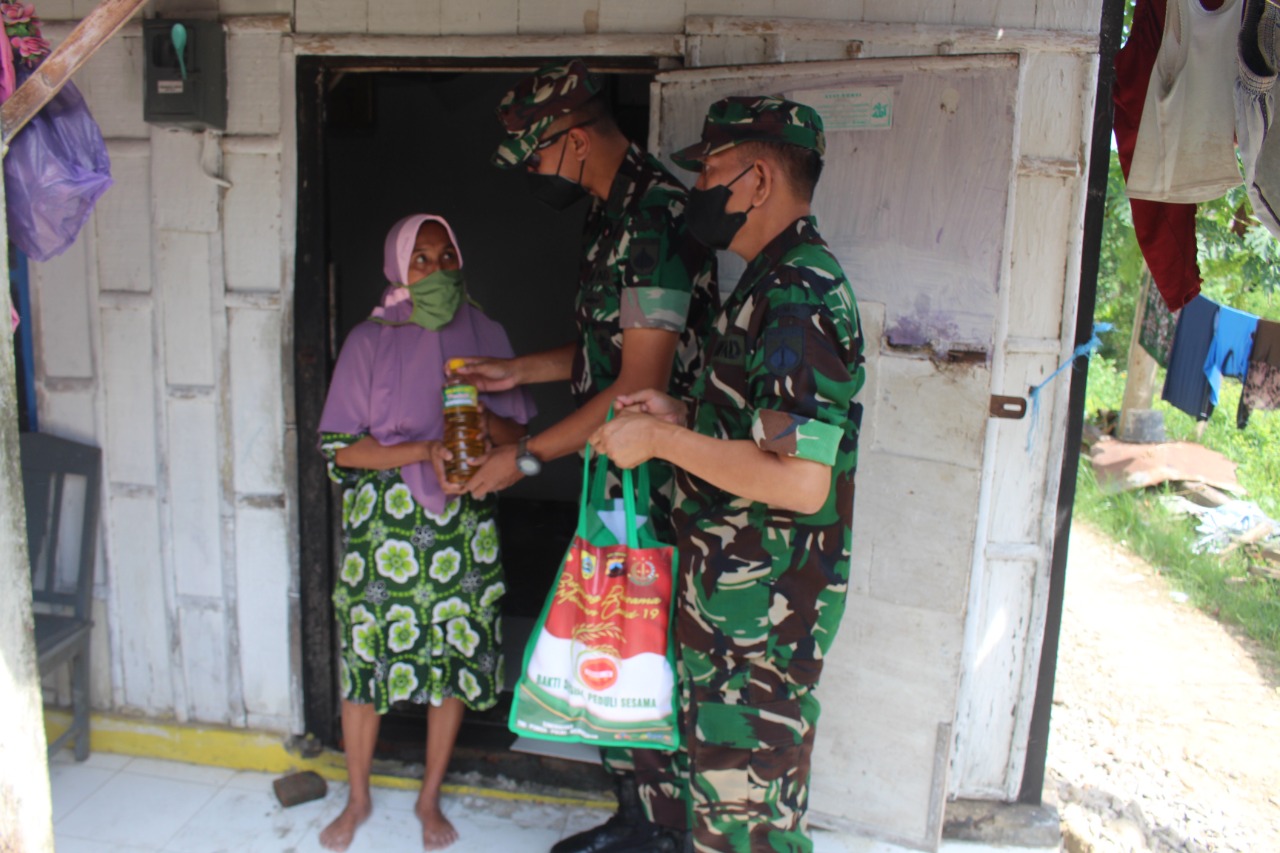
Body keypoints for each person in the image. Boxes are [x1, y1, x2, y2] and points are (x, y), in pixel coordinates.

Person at [450, 60, 718, 853]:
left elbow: (638, 383)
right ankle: (634, 815)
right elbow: (607, 346)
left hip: (662, 486)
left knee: (649, 646)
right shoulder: (612, 215)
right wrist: (519, 369)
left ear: (572, 138)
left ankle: (665, 830)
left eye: (535, 156)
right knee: (612, 634)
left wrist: (525, 459)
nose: (533, 174)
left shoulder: (657, 220)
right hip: (617, 477)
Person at [590, 96, 866, 853]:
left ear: (755, 178)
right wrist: (682, 416)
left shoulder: (799, 293)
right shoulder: (766, 282)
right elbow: (764, 432)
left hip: (763, 626)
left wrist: (658, 442)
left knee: (748, 832)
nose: (698, 188)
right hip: (730, 611)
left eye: (709, 168)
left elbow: (801, 478)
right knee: (721, 817)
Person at [316, 214, 535, 852]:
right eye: (421, 259)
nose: (436, 271)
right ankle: (357, 798)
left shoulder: (485, 333)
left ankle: (428, 795)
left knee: (454, 658)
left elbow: (521, 441)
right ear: (397, 267)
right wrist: (421, 449)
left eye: (446, 258)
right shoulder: (369, 340)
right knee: (366, 663)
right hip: (384, 531)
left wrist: (475, 412)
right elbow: (341, 450)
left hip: (461, 526)